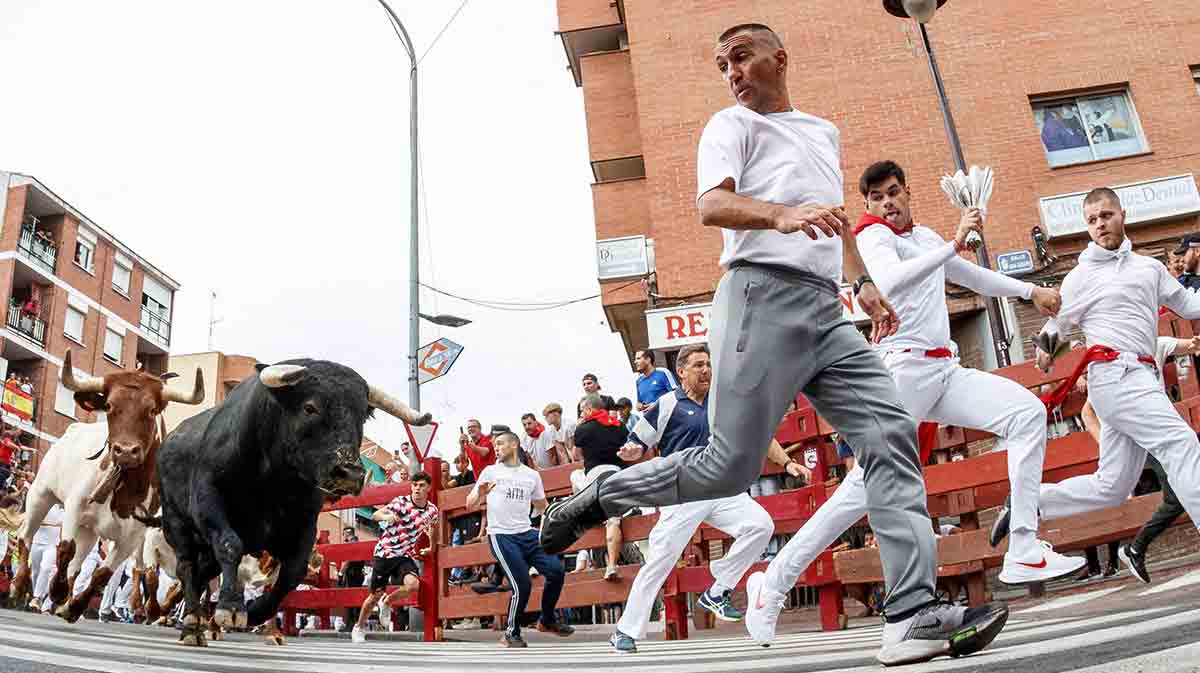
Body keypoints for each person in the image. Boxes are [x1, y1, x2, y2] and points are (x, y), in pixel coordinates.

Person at [540, 23, 1007, 666]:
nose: (731, 72)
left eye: (740, 58)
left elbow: (833, 215)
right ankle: (597, 497)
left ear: (777, 58)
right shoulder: (728, 126)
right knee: (727, 467)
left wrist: (861, 282)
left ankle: (911, 615)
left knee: (891, 434)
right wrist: (781, 215)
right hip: (758, 296)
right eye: (721, 64)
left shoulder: (821, 132)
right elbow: (712, 205)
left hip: (827, 311)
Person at [743, 159, 1080, 644]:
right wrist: (952, 242)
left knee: (1026, 413)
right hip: (901, 372)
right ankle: (772, 584)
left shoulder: (923, 237)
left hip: (943, 370)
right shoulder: (873, 237)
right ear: (867, 206)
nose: (888, 202)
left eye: (894, 192)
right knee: (859, 491)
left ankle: (1023, 545)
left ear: (907, 192)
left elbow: (970, 275)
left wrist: (1032, 291)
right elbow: (892, 282)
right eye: (877, 197)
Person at [994, 188, 1200, 579]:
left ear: (1123, 214)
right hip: (1116, 376)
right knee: (1182, 443)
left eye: (1106, 215)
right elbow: (1059, 327)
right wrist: (1046, 350)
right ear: (1086, 227)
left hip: (1142, 379)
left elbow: (1189, 305)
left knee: (1113, 487)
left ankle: (1028, 503)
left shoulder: (1149, 268)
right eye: (1092, 220)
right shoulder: (1080, 277)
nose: (1100, 224)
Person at [609, 343, 803, 654]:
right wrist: (632, 451)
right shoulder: (667, 404)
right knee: (660, 561)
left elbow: (760, 436)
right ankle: (625, 630)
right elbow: (638, 442)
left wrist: (787, 463)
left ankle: (718, 590)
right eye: (698, 365)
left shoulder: (723, 403)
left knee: (760, 525)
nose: (706, 370)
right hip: (682, 492)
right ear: (681, 372)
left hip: (720, 488)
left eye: (708, 364)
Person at [467, 432, 574, 648]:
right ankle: (511, 633)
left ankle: (547, 620)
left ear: (514, 444)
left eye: (500, 444)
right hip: (501, 535)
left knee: (556, 570)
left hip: (527, 533)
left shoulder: (531, 475)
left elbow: (542, 506)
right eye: (494, 445)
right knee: (522, 584)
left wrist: (564, 514)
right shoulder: (490, 472)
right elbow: (469, 504)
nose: (496, 448)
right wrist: (479, 493)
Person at [350, 472, 438, 643]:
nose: (417, 488)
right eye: (415, 485)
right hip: (386, 552)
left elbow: (433, 528)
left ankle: (388, 601)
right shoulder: (401, 502)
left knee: (414, 585)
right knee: (374, 595)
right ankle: (358, 627)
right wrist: (387, 517)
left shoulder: (432, 510)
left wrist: (431, 547)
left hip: (404, 553)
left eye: (421, 485)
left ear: (428, 488)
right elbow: (376, 516)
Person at [571, 392, 629, 581]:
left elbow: (575, 455)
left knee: (574, 475)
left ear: (588, 409)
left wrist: (579, 427)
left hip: (595, 477)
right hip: (617, 476)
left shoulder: (584, 428)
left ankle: (588, 512)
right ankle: (612, 565)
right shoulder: (619, 425)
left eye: (582, 411)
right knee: (614, 521)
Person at [337, 526, 366, 632]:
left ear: (347, 533)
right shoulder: (359, 543)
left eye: (344, 534)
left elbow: (347, 560)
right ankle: (357, 624)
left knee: (350, 598)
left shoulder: (350, 544)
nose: (343, 536)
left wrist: (340, 574)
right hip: (359, 573)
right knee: (357, 599)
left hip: (352, 573)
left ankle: (350, 624)